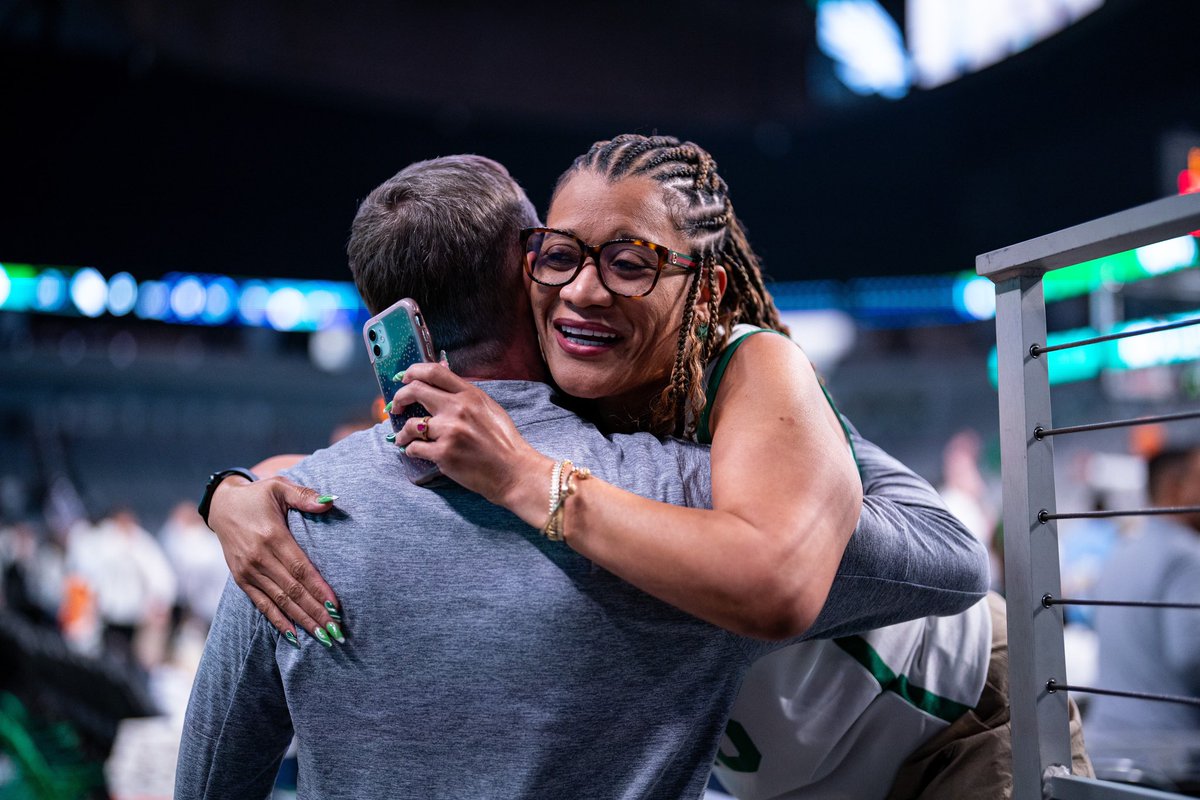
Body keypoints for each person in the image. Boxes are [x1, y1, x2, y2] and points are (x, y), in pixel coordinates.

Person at [177, 153, 988, 799]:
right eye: (556, 255)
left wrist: (235, 496)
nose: (582, 286)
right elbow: (948, 563)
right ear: (522, 277)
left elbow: (211, 780)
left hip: (933, 736)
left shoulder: (288, 530)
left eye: (624, 263)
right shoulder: (682, 497)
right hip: (851, 746)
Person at [1087, 445, 1200, 765]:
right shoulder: (1186, 556)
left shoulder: (1121, 551)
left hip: (1106, 751)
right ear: (1175, 488)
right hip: (1171, 756)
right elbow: (1191, 657)